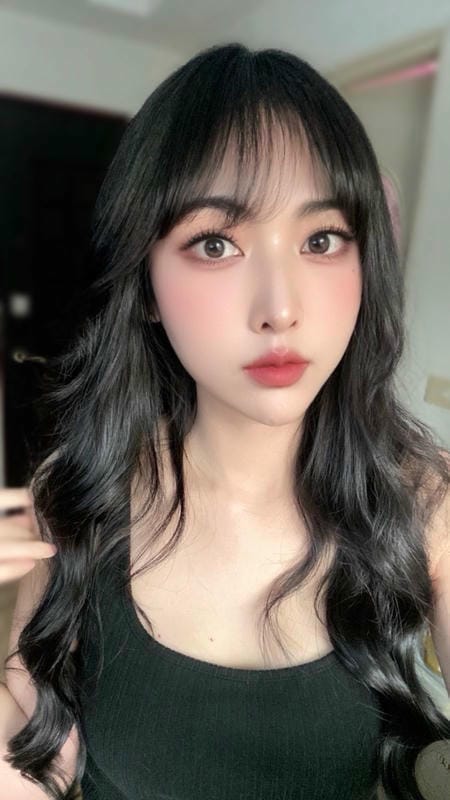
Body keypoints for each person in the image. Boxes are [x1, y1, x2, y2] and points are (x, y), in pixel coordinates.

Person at [1, 42, 450, 800]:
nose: (280, 309)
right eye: (216, 243)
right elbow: (33, 758)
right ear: (145, 283)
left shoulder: (425, 505)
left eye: (321, 240)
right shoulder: (81, 491)